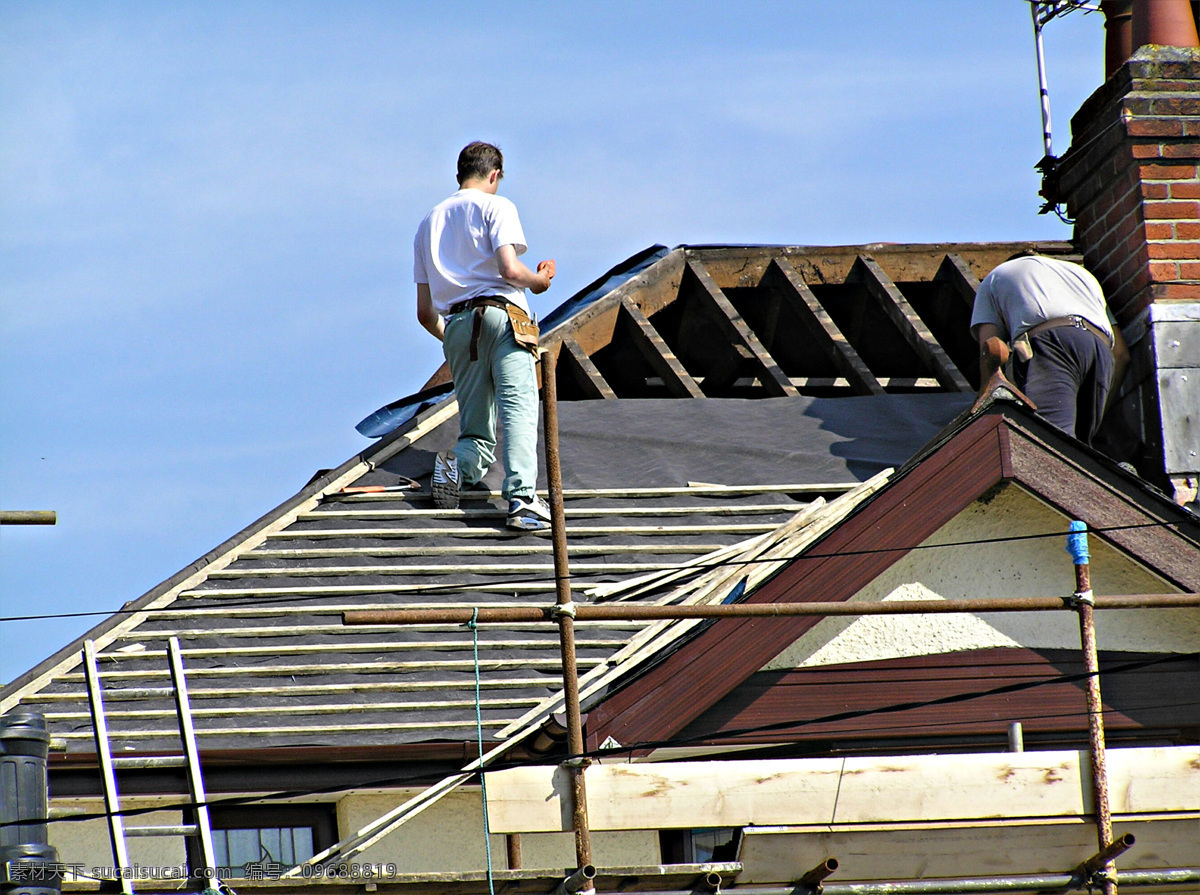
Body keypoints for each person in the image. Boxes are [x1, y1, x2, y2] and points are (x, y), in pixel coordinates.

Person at [414, 141, 556, 531]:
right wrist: (540, 281)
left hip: (458, 326)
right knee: (518, 408)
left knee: (476, 429)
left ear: (459, 174)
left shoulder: (428, 223)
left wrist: (457, 343)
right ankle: (523, 499)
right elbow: (510, 271)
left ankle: (457, 466)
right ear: (494, 175)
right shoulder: (498, 206)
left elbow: (425, 313)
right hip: (504, 315)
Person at [970, 252, 1128, 445]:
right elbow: (1121, 354)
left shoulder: (995, 277)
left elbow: (992, 349)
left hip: (1052, 345)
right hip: (1100, 349)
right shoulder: (1080, 275)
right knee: (1080, 449)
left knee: (1049, 440)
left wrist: (984, 407)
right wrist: (1102, 407)